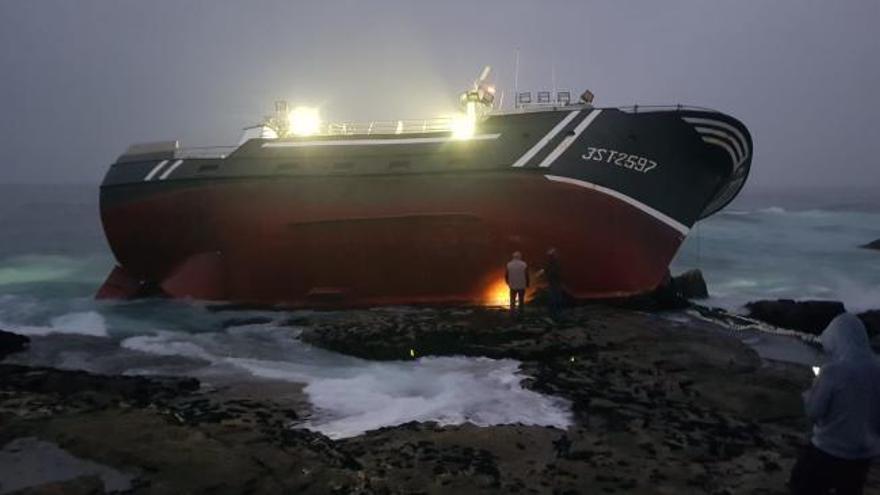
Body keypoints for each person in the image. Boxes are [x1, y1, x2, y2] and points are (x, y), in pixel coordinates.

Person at [789, 313, 880, 495]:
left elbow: (814, 412)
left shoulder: (833, 371)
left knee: (801, 485)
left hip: (828, 450)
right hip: (864, 454)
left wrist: (809, 394)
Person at [505, 251, 528, 317]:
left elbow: (506, 275)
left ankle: (512, 313)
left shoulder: (509, 264)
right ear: (520, 256)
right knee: (521, 300)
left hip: (512, 285)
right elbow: (526, 274)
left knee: (512, 300)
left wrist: (508, 282)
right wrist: (527, 283)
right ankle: (521, 313)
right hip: (521, 285)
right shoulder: (524, 264)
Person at [542, 248, 563, 319]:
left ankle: (554, 313)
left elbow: (550, 272)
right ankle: (557, 313)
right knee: (557, 297)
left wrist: (546, 275)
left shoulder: (551, 263)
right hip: (556, 282)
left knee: (553, 298)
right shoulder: (556, 262)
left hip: (553, 283)